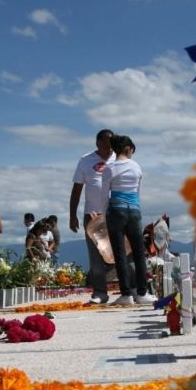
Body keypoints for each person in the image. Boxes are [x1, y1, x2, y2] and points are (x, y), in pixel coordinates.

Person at [98, 134, 156, 306]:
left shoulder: (109, 168)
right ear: (128, 148)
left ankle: (126, 294)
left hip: (116, 210)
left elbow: (103, 195)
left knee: (120, 254)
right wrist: (136, 209)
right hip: (134, 211)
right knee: (139, 253)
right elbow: (138, 192)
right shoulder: (136, 167)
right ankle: (142, 292)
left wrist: (103, 214)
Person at [69, 129, 115, 304]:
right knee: (96, 255)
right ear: (97, 143)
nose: (108, 148)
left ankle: (129, 290)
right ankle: (100, 292)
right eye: (105, 143)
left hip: (116, 212)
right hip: (93, 214)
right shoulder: (85, 160)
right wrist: (72, 215)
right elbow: (77, 189)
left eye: (111, 144)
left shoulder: (119, 158)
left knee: (123, 252)